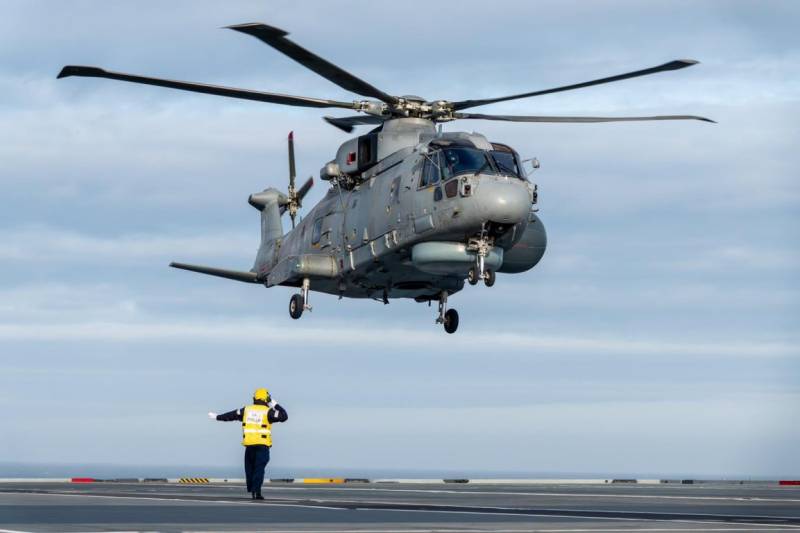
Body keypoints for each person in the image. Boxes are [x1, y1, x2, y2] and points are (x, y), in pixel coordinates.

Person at [208, 388, 288, 500]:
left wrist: (217, 417)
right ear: (266, 398)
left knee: (250, 469)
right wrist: (274, 403)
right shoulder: (268, 411)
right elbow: (284, 416)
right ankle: (256, 492)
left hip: (249, 445)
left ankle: (253, 490)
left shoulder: (246, 410)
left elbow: (231, 415)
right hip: (262, 445)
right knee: (259, 469)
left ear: (254, 398)